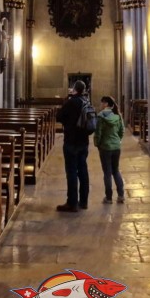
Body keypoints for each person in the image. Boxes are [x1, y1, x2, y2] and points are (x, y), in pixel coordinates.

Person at [55, 80, 91, 212]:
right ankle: (84, 201)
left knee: (71, 172)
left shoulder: (71, 102)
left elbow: (58, 117)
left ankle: (72, 203)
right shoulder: (86, 101)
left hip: (71, 141)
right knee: (83, 171)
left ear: (74, 89)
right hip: (84, 141)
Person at [94, 96, 125, 204]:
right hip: (116, 147)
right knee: (115, 170)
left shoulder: (101, 117)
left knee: (107, 173)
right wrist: (117, 141)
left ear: (106, 104)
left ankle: (108, 198)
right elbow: (122, 131)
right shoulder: (118, 115)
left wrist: (97, 144)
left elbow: (98, 133)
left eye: (102, 103)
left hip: (105, 147)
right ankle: (121, 195)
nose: (100, 105)